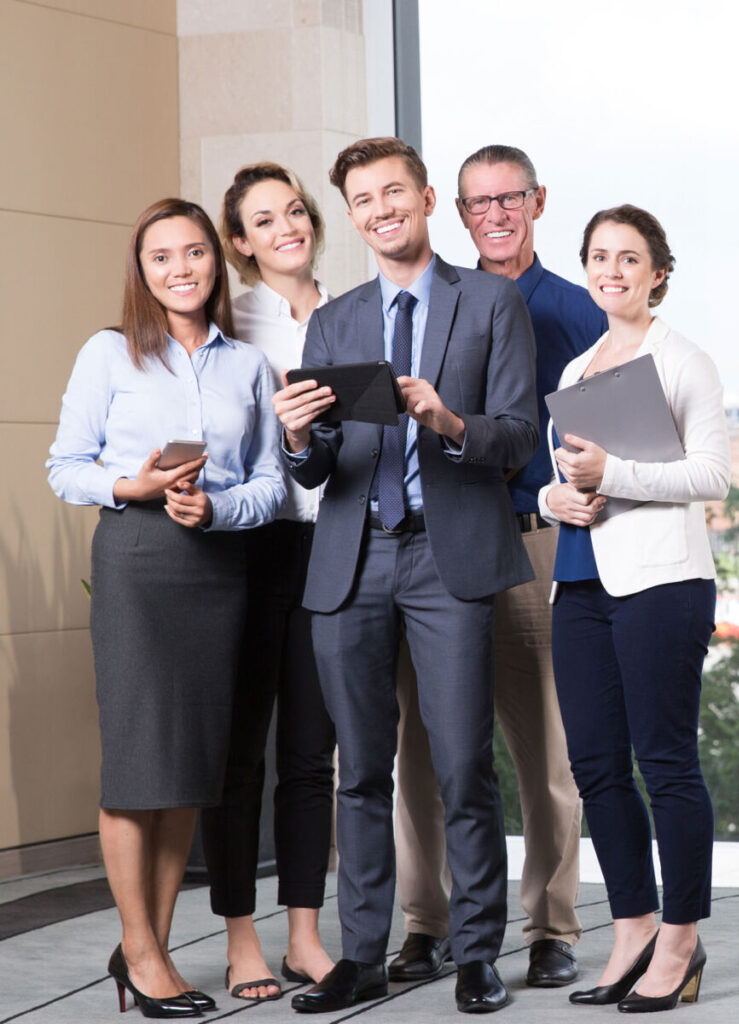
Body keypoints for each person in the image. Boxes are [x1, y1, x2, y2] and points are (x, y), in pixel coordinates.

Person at [272, 137, 539, 1015]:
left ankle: (475, 955)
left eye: (394, 192)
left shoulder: (492, 302)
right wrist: (298, 439)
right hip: (351, 560)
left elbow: (516, 437)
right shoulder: (335, 319)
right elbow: (316, 474)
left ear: (426, 199)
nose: (381, 209)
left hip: (447, 553)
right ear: (351, 217)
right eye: (362, 199)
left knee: (464, 764)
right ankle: (359, 957)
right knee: (359, 772)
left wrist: (446, 418)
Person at [46, 199, 285, 1019]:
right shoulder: (108, 354)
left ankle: (154, 943)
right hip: (138, 563)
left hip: (215, 568)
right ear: (140, 271)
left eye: (194, 253)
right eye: (161, 257)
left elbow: (271, 484)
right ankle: (142, 952)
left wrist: (217, 509)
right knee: (137, 766)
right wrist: (132, 486)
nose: (181, 268)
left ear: (217, 263)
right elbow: (66, 467)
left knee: (189, 768)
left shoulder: (247, 368)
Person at [392, 144, 608, 988]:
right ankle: (425, 921)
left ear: (537, 201)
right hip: (435, 547)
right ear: (456, 211)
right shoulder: (434, 299)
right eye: (477, 202)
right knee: (422, 746)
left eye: (508, 199)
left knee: (543, 746)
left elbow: (606, 441)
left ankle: (552, 926)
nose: (493, 215)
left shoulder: (571, 311)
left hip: (529, 540)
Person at [537, 205, 730, 1012]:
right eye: (597, 257)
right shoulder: (580, 370)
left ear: (657, 271)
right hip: (579, 583)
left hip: (660, 585)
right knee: (594, 770)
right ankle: (632, 927)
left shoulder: (683, 360)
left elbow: (708, 476)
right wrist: (556, 498)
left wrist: (611, 473)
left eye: (627, 258)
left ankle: (680, 941)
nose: (610, 270)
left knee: (665, 765)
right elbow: (563, 480)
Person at [199, 162, 335, 1002]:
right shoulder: (228, 323)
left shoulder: (356, 311)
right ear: (241, 244)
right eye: (263, 219)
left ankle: (305, 935)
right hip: (247, 548)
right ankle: (240, 937)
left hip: (330, 548)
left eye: (294, 210)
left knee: (310, 754)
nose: (286, 226)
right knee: (239, 755)